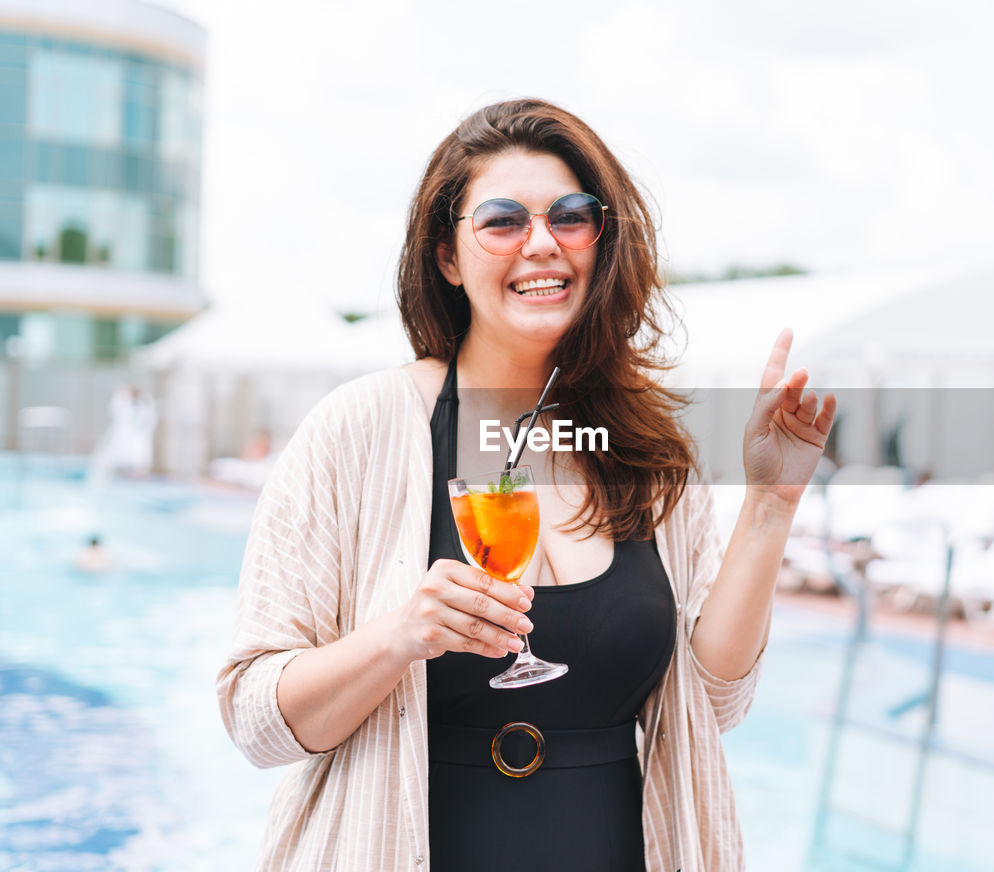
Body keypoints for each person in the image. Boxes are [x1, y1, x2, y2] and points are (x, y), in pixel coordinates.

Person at [216, 98, 836, 871]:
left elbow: (712, 706)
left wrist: (770, 507)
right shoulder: (360, 429)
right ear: (448, 257)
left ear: (599, 242)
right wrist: (399, 637)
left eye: (571, 216)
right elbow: (253, 719)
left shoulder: (643, 453)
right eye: (503, 222)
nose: (541, 244)